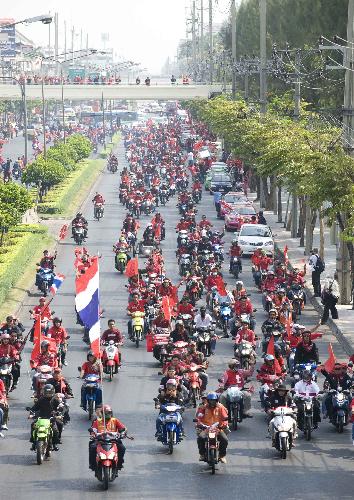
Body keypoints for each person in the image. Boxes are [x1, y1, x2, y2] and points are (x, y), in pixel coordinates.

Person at [89, 404, 127, 471]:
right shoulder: (97, 421)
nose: (108, 415)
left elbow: (123, 428)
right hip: (100, 440)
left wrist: (122, 433)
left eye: (109, 413)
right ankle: (93, 465)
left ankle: (119, 464)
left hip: (113, 440)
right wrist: (93, 434)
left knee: (122, 448)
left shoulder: (115, 420)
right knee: (92, 447)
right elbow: (93, 430)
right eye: (106, 413)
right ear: (102, 414)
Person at [196, 392, 228, 463]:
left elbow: (225, 417)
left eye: (213, 400)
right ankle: (202, 454)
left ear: (216, 400)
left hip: (218, 428)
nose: (212, 402)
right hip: (207, 428)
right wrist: (199, 422)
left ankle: (222, 456)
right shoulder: (204, 407)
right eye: (210, 400)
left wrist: (224, 424)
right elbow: (199, 416)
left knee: (225, 440)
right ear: (208, 401)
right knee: (200, 438)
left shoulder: (220, 407)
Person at [28, 384, 60, 451]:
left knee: (55, 430)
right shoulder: (41, 399)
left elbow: (60, 408)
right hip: (41, 418)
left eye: (49, 392)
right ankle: (33, 442)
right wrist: (31, 413)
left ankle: (54, 444)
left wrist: (58, 414)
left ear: (52, 392)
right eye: (47, 392)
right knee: (33, 426)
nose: (48, 394)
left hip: (51, 418)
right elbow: (34, 408)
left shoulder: (55, 400)